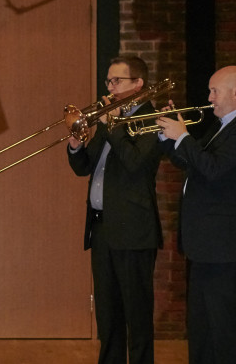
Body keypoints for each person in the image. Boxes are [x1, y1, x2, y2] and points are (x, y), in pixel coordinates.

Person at [156, 66, 236, 364]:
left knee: (227, 330)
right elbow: (193, 163)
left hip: (228, 246)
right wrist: (169, 137)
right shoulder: (224, 126)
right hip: (208, 245)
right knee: (202, 328)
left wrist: (183, 137)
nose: (209, 98)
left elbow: (213, 169)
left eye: (214, 91)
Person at [66, 57, 162, 364]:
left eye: (117, 81)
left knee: (137, 314)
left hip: (133, 230)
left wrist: (113, 126)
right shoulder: (111, 120)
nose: (110, 88)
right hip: (102, 229)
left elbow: (135, 163)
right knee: (107, 315)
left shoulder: (151, 118)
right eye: (108, 81)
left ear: (138, 84)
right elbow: (84, 167)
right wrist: (76, 145)